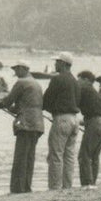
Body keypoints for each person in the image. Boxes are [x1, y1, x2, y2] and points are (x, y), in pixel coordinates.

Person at [0, 61, 44, 194]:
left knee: (20, 157)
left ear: (23, 69)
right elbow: (22, 105)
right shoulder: (36, 83)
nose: (15, 72)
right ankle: (26, 187)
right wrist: (10, 107)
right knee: (29, 157)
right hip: (38, 124)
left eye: (16, 69)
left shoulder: (21, 82)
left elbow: (7, 101)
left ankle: (17, 189)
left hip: (25, 124)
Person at [43, 52, 80, 190]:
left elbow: (46, 100)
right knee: (69, 156)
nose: (55, 64)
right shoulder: (75, 81)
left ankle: (55, 187)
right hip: (74, 120)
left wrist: (48, 108)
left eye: (57, 62)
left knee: (56, 155)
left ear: (64, 64)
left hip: (61, 119)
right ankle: (67, 186)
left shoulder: (57, 79)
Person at [76, 70, 101, 187]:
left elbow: (73, 105)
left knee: (84, 155)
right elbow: (96, 111)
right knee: (94, 156)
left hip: (94, 124)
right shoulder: (94, 92)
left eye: (79, 79)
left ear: (86, 80)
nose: (77, 82)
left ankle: (87, 183)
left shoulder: (84, 89)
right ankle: (92, 183)